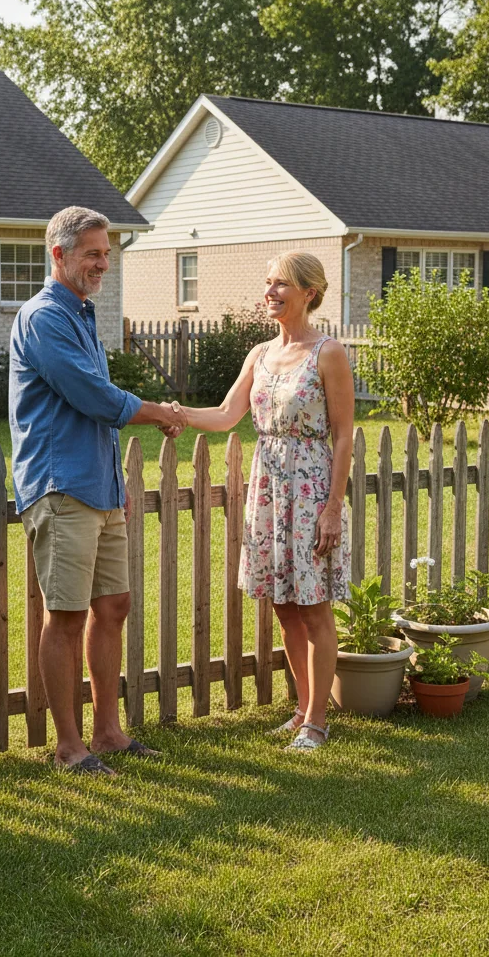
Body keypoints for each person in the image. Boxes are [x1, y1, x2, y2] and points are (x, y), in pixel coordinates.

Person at [9, 206, 187, 775]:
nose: (102, 264)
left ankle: (108, 733)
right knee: (65, 615)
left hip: (99, 486)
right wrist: (157, 410)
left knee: (113, 605)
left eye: (107, 254)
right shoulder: (43, 318)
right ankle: (69, 747)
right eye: (92, 253)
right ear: (58, 255)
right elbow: (90, 396)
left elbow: (97, 404)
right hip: (61, 486)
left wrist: (115, 483)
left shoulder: (82, 314)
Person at [173, 251, 353, 749]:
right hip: (269, 490)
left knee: (313, 606)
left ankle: (318, 721)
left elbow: (343, 437)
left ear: (309, 293)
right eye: (268, 283)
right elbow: (228, 414)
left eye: (281, 285)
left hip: (311, 490)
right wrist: (175, 414)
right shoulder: (259, 354)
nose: (270, 292)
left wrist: (333, 507)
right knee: (283, 605)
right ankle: (301, 709)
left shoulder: (328, 353)